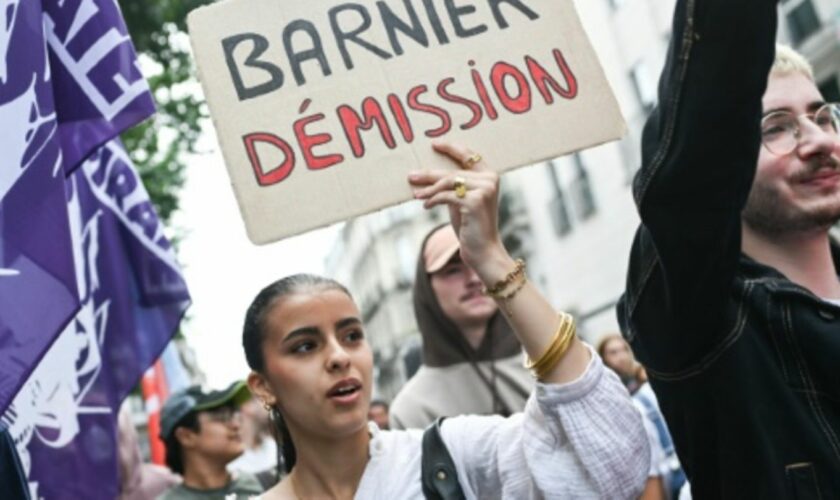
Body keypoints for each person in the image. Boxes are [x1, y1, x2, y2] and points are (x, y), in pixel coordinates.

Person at [242, 140, 649, 499]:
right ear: (263, 386)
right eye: (305, 346)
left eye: (351, 336)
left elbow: (608, 466)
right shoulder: (417, 404)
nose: (339, 357)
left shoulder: (450, 454)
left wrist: (491, 256)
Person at [616, 0, 840, 495]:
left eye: (822, 117)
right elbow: (698, 142)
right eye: (776, 127)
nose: (818, 140)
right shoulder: (705, 319)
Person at [388, 224, 533, 429]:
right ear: (427, 290)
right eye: (453, 270)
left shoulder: (546, 368)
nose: (473, 279)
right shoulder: (412, 409)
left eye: (479, 264)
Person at [598, 334, 686, 499]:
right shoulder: (609, 401)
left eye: (624, 349)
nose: (621, 357)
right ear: (603, 358)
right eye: (613, 352)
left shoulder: (648, 385)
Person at [158, 382, 264, 500]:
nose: (236, 425)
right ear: (186, 436)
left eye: (234, 415)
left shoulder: (257, 486)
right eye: (222, 417)